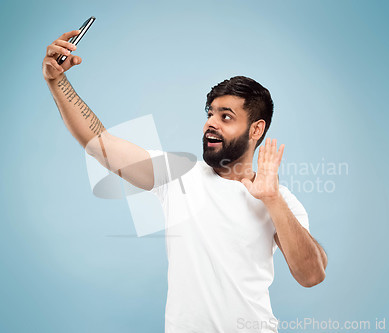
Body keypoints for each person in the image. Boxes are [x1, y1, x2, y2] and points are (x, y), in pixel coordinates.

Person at [42, 30, 328, 333]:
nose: (210, 123)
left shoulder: (278, 199)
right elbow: (102, 144)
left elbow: (311, 275)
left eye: (226, 116)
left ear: (256, 130)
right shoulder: (178, 175)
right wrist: (57, 81)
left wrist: (271, 200)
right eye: (210, 113)